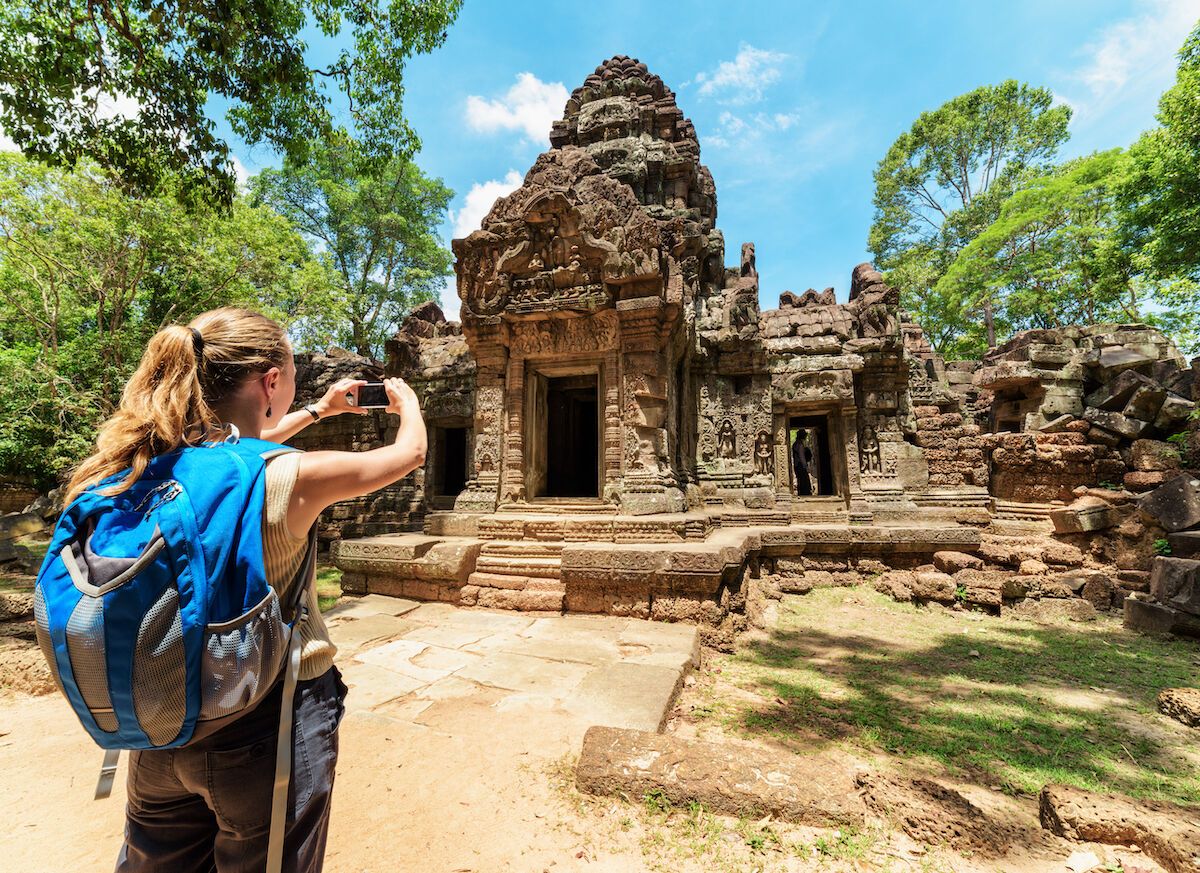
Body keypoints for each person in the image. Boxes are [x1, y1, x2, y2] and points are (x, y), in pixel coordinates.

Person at [61, 307, 428, 873]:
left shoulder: (135, 467)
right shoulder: (288, 477)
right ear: (270, 383)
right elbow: (408, 456)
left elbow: (232, 455)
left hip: (160, 723)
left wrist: (315, 409)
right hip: (266, 722)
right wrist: (408, 406)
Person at [791, 431, 812, 496]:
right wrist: (805, 466)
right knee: (804, 480)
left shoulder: (795, 444)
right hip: (800, 465)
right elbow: (801, 456)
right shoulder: (799, 444)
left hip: (797, 465)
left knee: (800, 479)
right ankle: (805, 494)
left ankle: (801, 493)